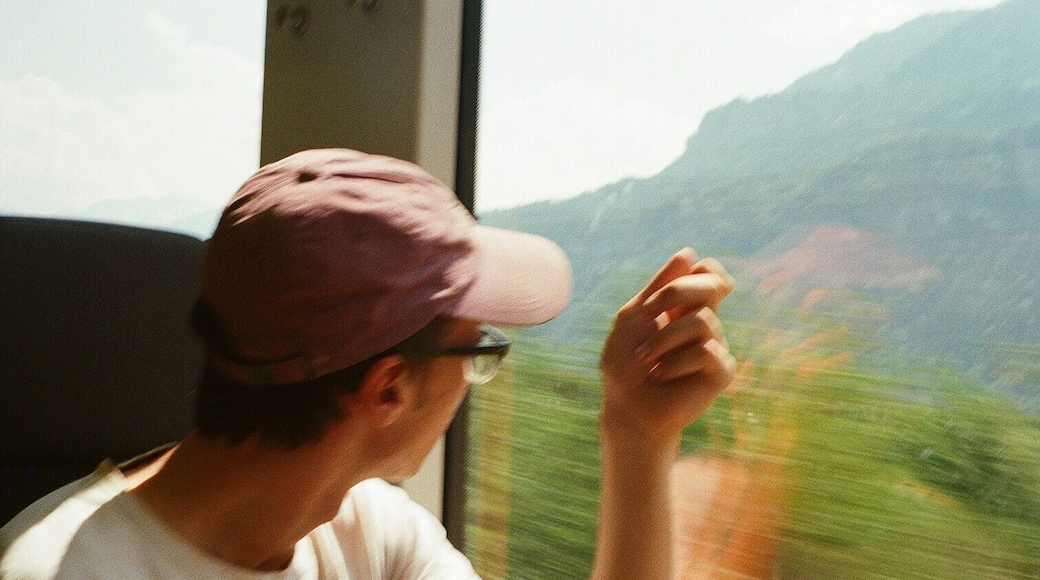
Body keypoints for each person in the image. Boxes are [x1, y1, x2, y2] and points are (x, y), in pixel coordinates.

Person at [1, 148, 736, 579]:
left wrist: (637, 437)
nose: (476, 383)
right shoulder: (54, 570)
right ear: (387, 387)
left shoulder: (368, 532)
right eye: (479, 351)